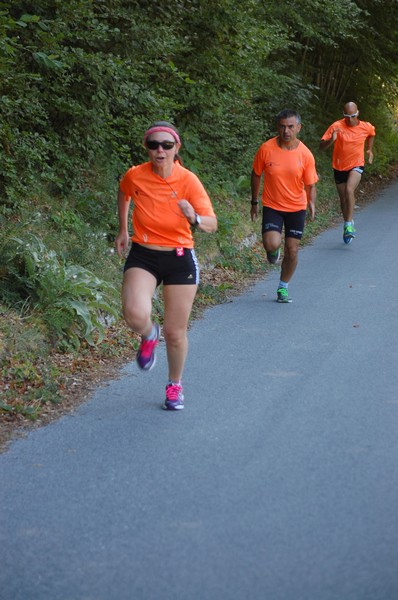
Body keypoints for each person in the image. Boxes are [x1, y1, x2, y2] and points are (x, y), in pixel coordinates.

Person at [115, 121, 217, 410]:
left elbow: (212, 224)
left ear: (176, 148)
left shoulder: (189, 181)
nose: (159, 150)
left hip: (179, 257)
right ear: (147, 149)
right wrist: (123, 229)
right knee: (135, 315)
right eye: (153, 145)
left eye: (166, 145)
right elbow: (124, 193)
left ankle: (174, 385)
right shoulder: (136, 175)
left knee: (175, 332)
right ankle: (148, 333)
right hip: (143, 254)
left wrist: (194, 217)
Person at [250, 109, 318, 303]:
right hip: (273, 205)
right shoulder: (266, 149)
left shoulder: (305, 154)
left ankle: (283, 287)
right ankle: (273, 251)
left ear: (298, 128)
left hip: (297, 207)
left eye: (290, 126)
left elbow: (311, 184)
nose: (286, 131)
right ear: (277, 127)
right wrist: (254, 201)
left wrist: (311, 202)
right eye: (282, 126)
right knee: (272, 243)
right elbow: (256, 174)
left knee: (293, 250)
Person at [319, 101, 376, 244]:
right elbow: (321, 147)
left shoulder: (366, 126)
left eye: (352, 116)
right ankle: (347, 222)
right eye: (347, 116)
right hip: (339, 167)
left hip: (356, 164)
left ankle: (348, 225)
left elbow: (371, 134)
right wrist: (331, 140)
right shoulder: (336, 126)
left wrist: (369, 149)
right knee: (343, 199)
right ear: (343, 115)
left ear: (358, 113)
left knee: (349, 190)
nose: (350, 119)